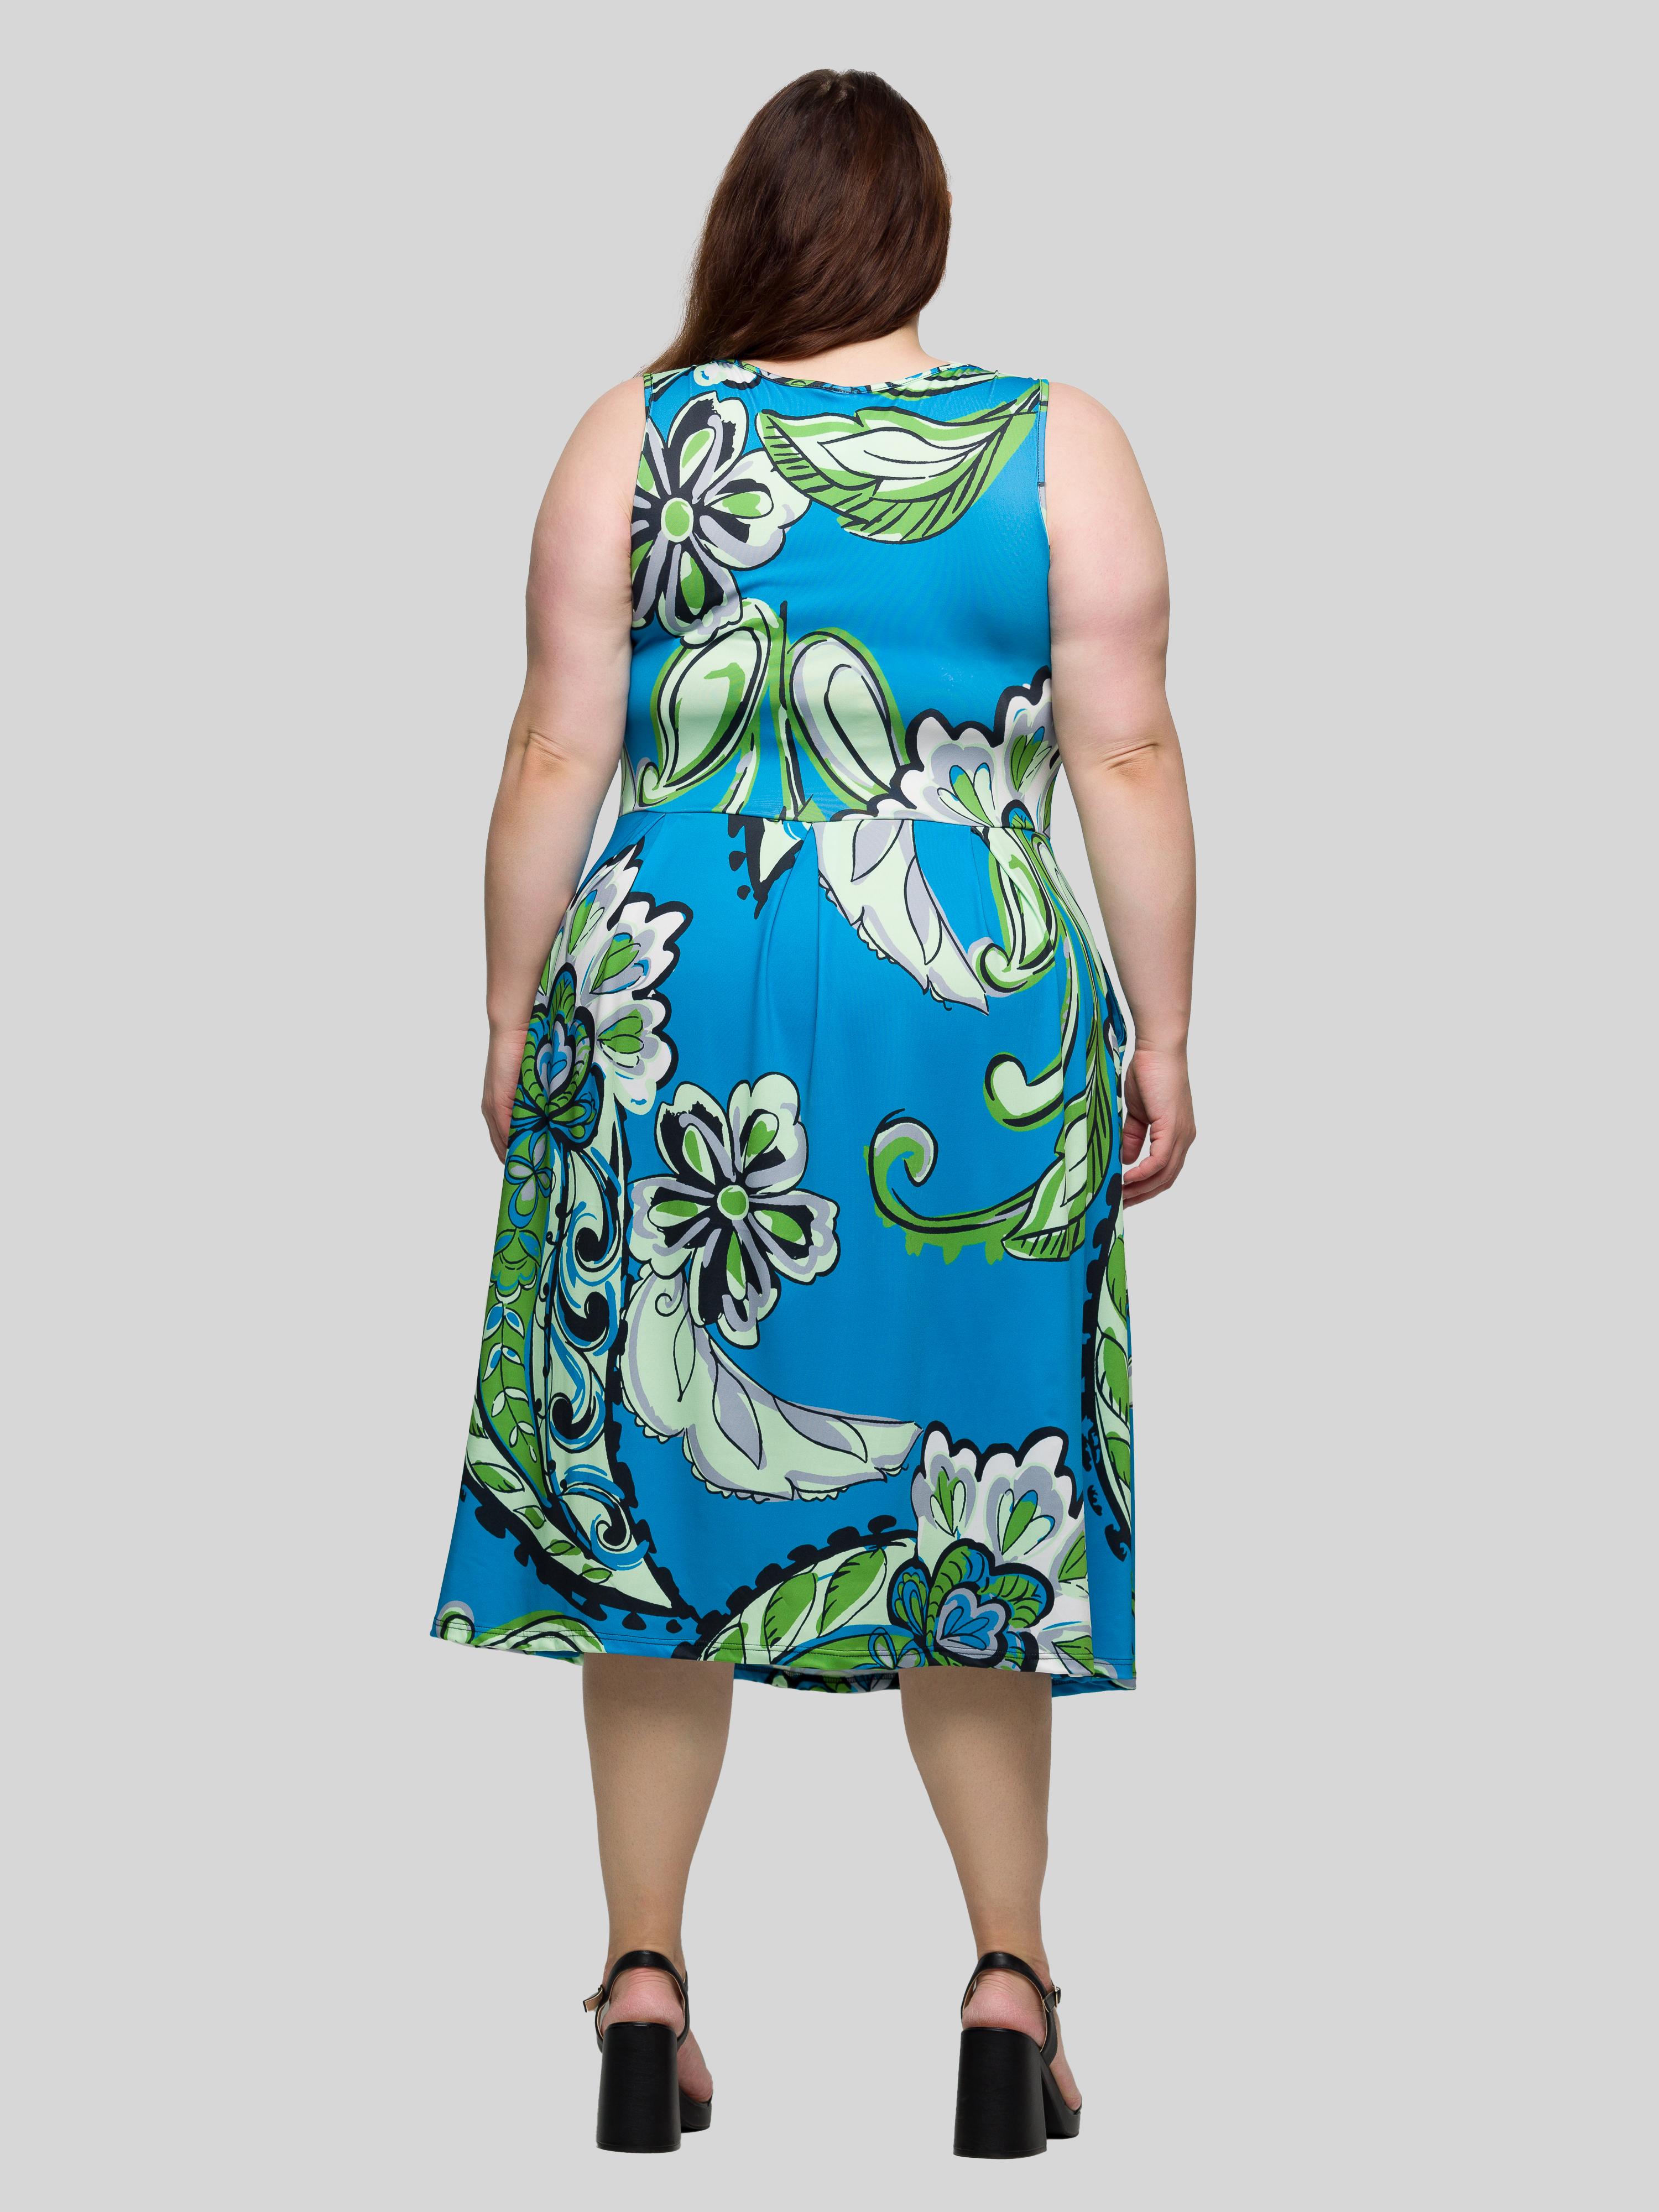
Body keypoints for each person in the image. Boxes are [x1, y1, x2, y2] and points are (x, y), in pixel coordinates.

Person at [430, 67, 1196, 2158]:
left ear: (746, 226)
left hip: (677, 983)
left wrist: (511, 1011)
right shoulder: (1059, 447)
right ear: (922, 234)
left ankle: (643, 1982)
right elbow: (1125, 756)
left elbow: (554, 749)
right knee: (978, 1482)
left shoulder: (637, 436)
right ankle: (1009, 1986)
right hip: (965, 995)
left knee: (646, 1491)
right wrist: (1162, 1031)